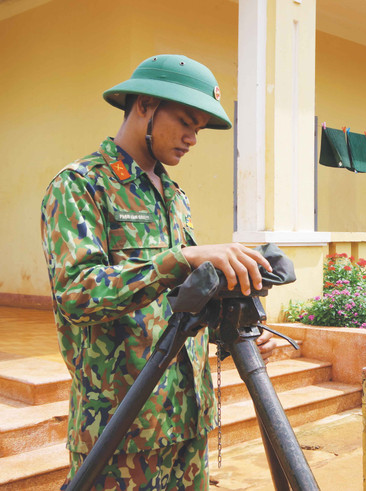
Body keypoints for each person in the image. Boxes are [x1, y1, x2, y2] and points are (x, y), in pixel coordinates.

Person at [41, 55, 277, 489]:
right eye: (186, 122)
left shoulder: (173, 194)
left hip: (186, 418)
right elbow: (76, 294)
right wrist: (179, 259)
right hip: (120, 428)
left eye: (200, 129)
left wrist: (231, 322)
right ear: (145, 105)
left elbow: (180, 300)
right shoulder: (80, 186)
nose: (192, 138)